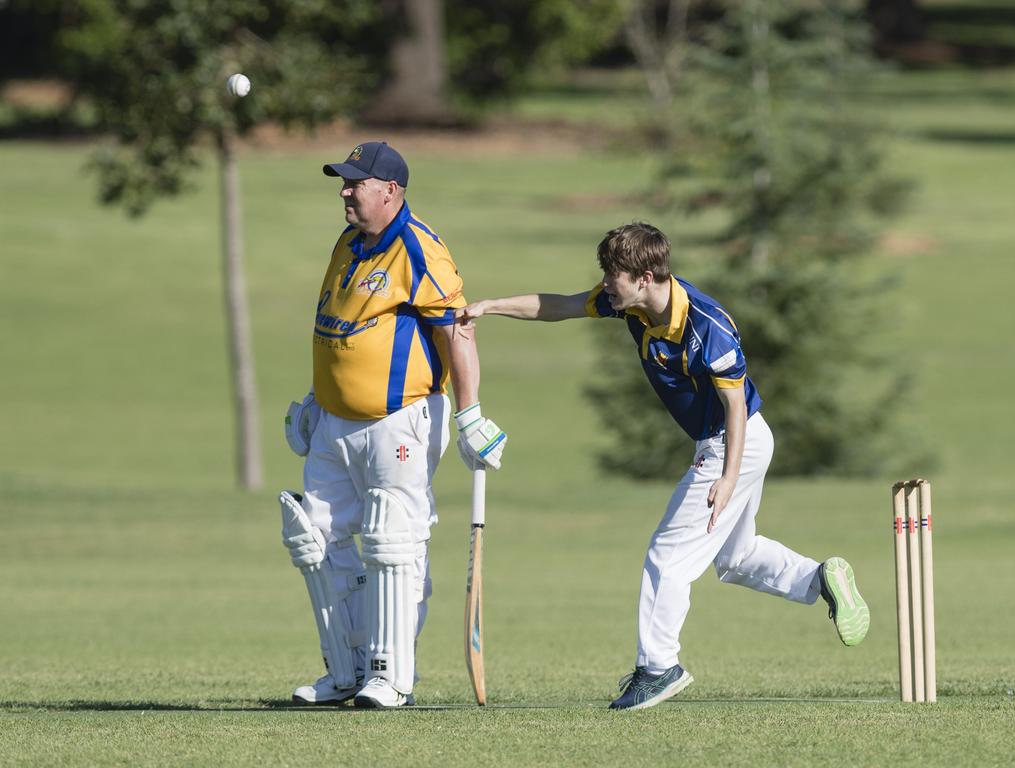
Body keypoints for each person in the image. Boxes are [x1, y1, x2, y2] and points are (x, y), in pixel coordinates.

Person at [458, 222, 869, 711]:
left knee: (667, 558)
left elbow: (735, 407)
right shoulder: (627, 303)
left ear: (646, 277)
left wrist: (728, 476)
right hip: (728, 442)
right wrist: (489, 307)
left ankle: (659, 668)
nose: (607, 285)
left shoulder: (706, 326)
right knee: (735, 559)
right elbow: (561, 306)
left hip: (732, 443)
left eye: (615, 276)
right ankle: (821, 579)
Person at [279, 141, 506, 709]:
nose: (345, 191)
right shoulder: (348, 242)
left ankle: (391, 674)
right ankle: (345, 670)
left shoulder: (418, 247)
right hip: (335, 422)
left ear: (391, 190)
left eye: (356, 182)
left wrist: (471, 412)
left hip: (398, 420)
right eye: (344, 181)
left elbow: (458, 330)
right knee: (317, 541)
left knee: (392, 541)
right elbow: (338, 324)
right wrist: (315, 399)